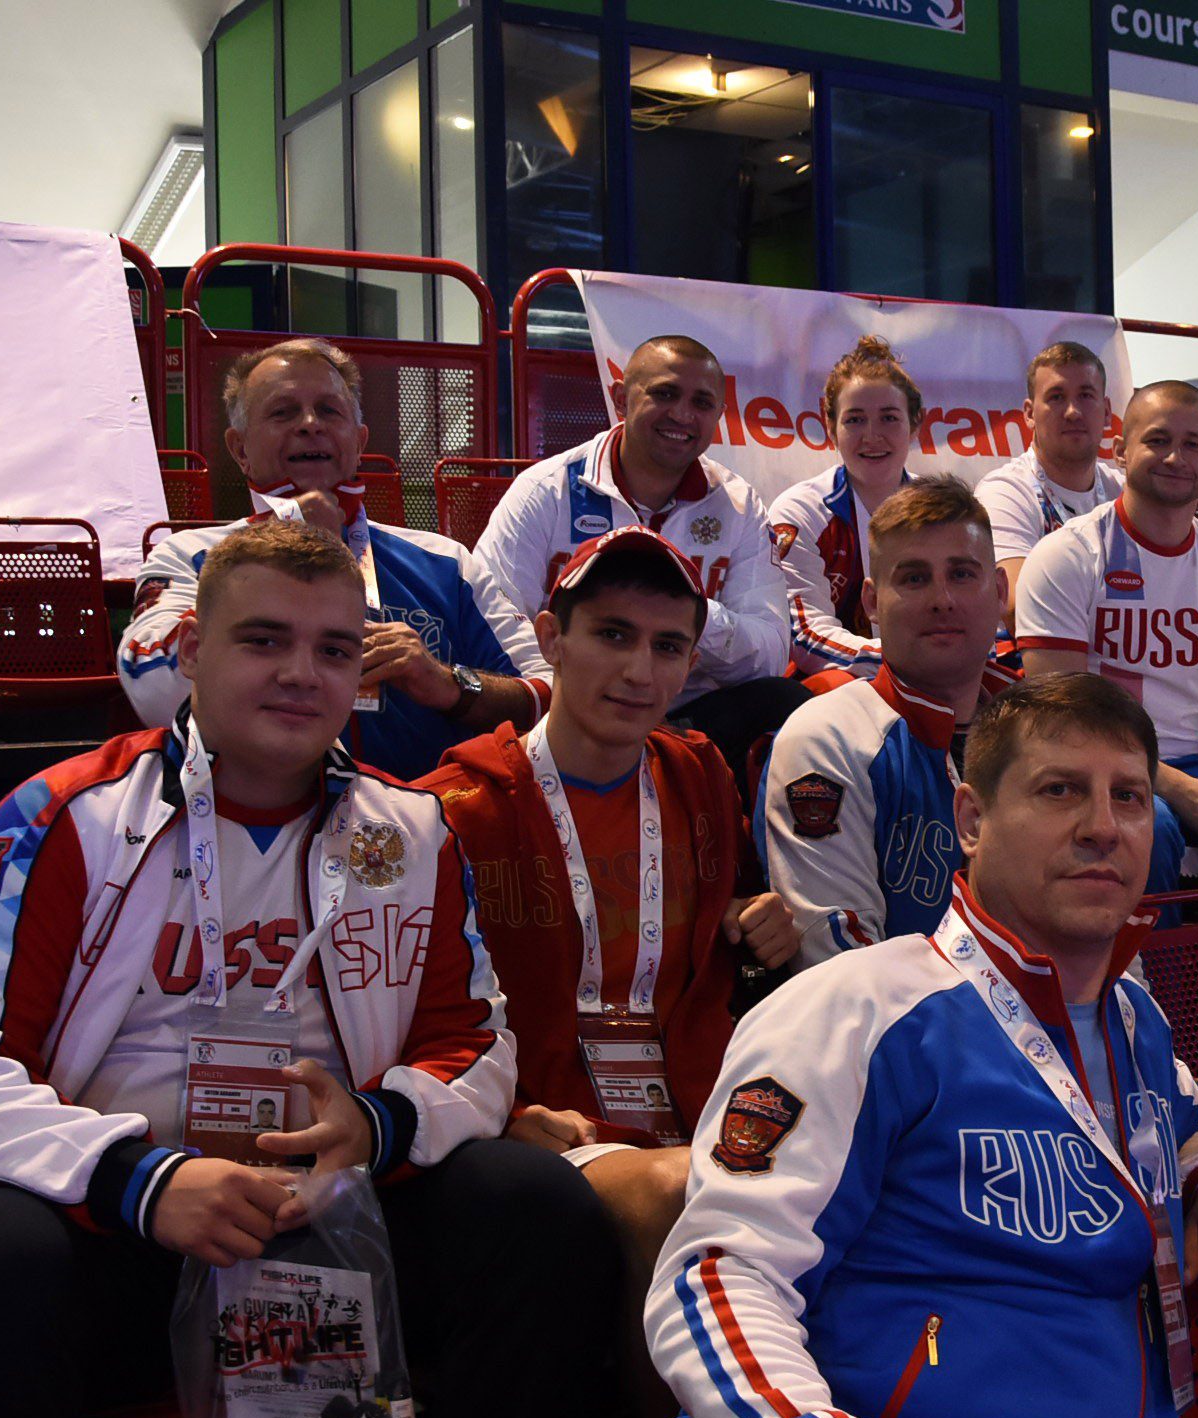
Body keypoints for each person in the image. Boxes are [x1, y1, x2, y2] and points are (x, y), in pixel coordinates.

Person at [0, 522, 627, 1418]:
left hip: (334, 1220)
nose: (301, 673)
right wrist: (140, 1179)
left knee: (536, 1213)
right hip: (118, 1229)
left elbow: (477, 1040)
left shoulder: (412, 831)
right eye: (265, 639)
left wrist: (377, 1126)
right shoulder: (65, 818)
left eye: (335, 650)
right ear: (192, 649)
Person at [639, 673, 1198, 1418]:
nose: (1102, 826)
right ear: (972, 820)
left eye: (1128, 797)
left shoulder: (1133, 1024)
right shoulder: (862, 1007)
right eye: (1060, 790)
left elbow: (1185, 1114)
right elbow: (713, 1276)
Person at [423, 527, 799, 1268]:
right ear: (550, 640)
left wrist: (760, 920)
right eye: (613, 635)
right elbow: (417, 1017)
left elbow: (723, 912)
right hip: (557, 1122)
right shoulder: (453, 809)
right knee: (683, 1196)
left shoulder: (702, 777)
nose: (638, 670)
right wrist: (498, 1114)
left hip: (707, 1104)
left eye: (667, 646)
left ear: (690, 664)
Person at [118, 338, 552, 781]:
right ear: (240, 449)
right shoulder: (189, 557)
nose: (310, 424)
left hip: (425, 815)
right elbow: (152, 688)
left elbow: (551, 695)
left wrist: (448, 684)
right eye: (283, 412)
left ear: (359, 441)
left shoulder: (447, 563)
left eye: (329, 410)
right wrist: (284, 551)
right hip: (247, 818)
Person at [1015, 380, 1198, 885]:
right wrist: (1181, 790)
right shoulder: (1067, 556)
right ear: (1121, 451)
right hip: (1093, 766)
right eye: (1158, 440)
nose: (1175, 457)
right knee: (1153, 827)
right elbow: (1061, 719)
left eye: (1193, 444)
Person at [473, 333, 806, 764]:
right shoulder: (545, 490)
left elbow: (769, 654)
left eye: (702, 403)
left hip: (684, 716)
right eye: (665, 394)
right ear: (621, 399)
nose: (683, 414)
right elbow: (491, 622)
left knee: (786, 702)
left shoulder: (739, 506)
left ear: (718, 416)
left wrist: (687, 614)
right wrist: (581, 695)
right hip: (565, 713)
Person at [760, 477, 1011, 968]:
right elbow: (841, 970)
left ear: (1000, 590)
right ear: (872, 603)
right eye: (914, 579)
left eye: (962, 574)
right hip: (903, 1017)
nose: (942, 599)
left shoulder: (1044, 732)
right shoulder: (828, 739)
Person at [774, 335, 919, 678]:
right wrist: (914, 664)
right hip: (835, 688)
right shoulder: (801, 512)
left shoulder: (947, 513)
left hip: (933, 678)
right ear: (830, 428)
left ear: (915, 424)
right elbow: (806, 637)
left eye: (889, 418)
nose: (872, 435)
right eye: (854, 420)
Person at [980, 341, 1124, 620]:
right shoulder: (1005, 492)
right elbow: (1020, 609)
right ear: (1029, 413)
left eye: (1086, 395)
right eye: (1056, 397)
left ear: (1107, 411)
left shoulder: (1123, 491)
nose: (1073, 411)